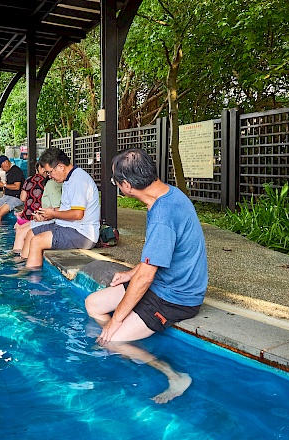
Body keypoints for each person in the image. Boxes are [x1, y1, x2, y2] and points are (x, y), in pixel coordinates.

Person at [85, 148, 208, 403]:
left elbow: (147, 277)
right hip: (163, 283)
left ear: (127, 186)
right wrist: (132, 272)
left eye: (114, 181)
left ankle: (174, 376)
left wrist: (117, 321)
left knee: (112, 341)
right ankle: (130, 336)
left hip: (176, 297)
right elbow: (156, 260)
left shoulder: (163, 215)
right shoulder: (167, 195)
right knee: (93, 303)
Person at [21, 147, 100, 268]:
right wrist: (47, 214)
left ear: (61, 167)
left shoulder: (78, 180)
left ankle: (32, 281)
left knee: (37, 241)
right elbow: (67, 209)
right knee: (31, 233)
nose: (49, 176)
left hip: (82, 234)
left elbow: (78, 214)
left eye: (49, 172)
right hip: (68, 227)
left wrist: (53, 214)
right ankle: (23, 269)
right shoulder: (69, 179)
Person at [13, 170, 62, 252]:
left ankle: (17, 259)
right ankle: (18, 259)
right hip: (44, 216)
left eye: (49, 172)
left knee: (22, 233)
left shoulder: (51, 184)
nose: (49, 175)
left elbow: (56, 210)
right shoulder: (52, 183)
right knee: (21, 231)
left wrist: (43, 216)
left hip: (51, 219)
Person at [0, 155, 25, 222]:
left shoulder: (16, 171)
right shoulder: (8, 172)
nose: (2, 169)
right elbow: (7, 185)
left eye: (1, 166)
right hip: (7, 196)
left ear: (6, 162)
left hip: (16, 197)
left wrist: (4, 185)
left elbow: (17, 186)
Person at [16, 161, 47, 226]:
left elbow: (22, 198)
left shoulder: (29, 180)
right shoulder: (47, 182)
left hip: (27, 216)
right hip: (40, 216)